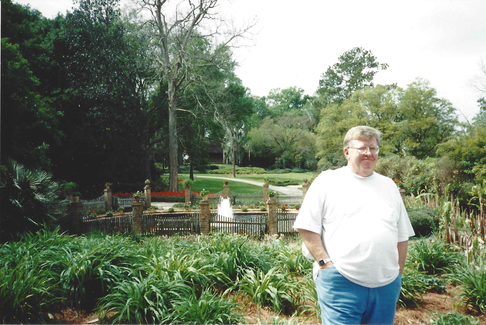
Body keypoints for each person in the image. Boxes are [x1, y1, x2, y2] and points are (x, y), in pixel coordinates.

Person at [294, 125, 415, 325]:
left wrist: (398, 273)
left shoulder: (389, 185)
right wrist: (325, 264)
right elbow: (306, 226)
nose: (369, 153)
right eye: (362, 148)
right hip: (341, 281)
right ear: (347, 152)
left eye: (373, 148)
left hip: (386, 286)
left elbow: (402, 235)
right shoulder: (328, 181)